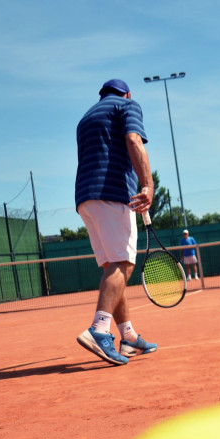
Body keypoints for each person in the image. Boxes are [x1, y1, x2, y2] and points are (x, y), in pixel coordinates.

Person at [73, 78, 158, 366]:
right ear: (127, 93)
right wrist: (147, 185)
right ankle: (99, 331)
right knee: (123, 264)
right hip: (111, 194)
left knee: (114, 267)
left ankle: (129, 337)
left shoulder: (86, 118)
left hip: (85, 199)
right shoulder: (127, 105)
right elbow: (134, 140)